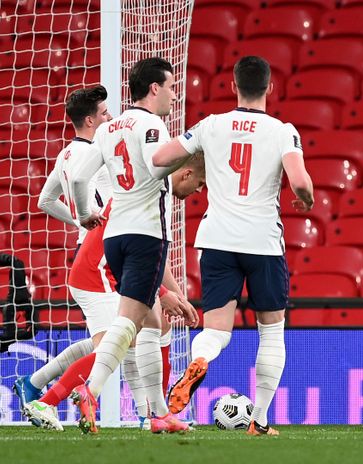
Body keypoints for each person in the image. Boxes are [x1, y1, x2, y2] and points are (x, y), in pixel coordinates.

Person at [151, 56, 314, 437]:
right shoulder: (282, 131)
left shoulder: (211, 125)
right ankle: (258, 420)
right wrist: (304, 200)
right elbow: (300, 180)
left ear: (233, 86)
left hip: (217, 239)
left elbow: (161, 158)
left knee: (217, 330)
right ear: (270, 87)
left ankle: (201, 359)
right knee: (271, 332)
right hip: (262, 241)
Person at [22, 154, 206, 431]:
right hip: (98, 274)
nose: (199, 192)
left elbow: (156, 254)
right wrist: (164, 292)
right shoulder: (154, 193)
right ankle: (47, 401)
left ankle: (155, 415)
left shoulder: (154, 188)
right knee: (121, 343)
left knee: (154, 326)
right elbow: (136, 250)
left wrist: (175, 295)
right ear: (186, 173)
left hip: (109, 270)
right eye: (201, 183)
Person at [69, 57, 198, 435]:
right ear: (154, 89)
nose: (175, 95)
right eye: (172, 87)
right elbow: (156, 166)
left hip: (113, 235)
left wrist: (85, 214)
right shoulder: (152, 124)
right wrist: (187, 151)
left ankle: (157, 414)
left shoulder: (110, 128)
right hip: (145, 233)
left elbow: (79, 177)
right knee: (129, 320)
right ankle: (91, 390)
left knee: (153, 321)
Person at [13, 86, 113, 427]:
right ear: (90, 120)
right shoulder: (92, 153)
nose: (109, 117)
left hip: (90, 246)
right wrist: (87, 215)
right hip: (99, 256)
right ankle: (45, 400)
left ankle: (34, 383)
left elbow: (44, 200)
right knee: (112, 344)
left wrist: (81, 221)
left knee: (109, 340)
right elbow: (79, 187)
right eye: (103, 114)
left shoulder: (67, 154)